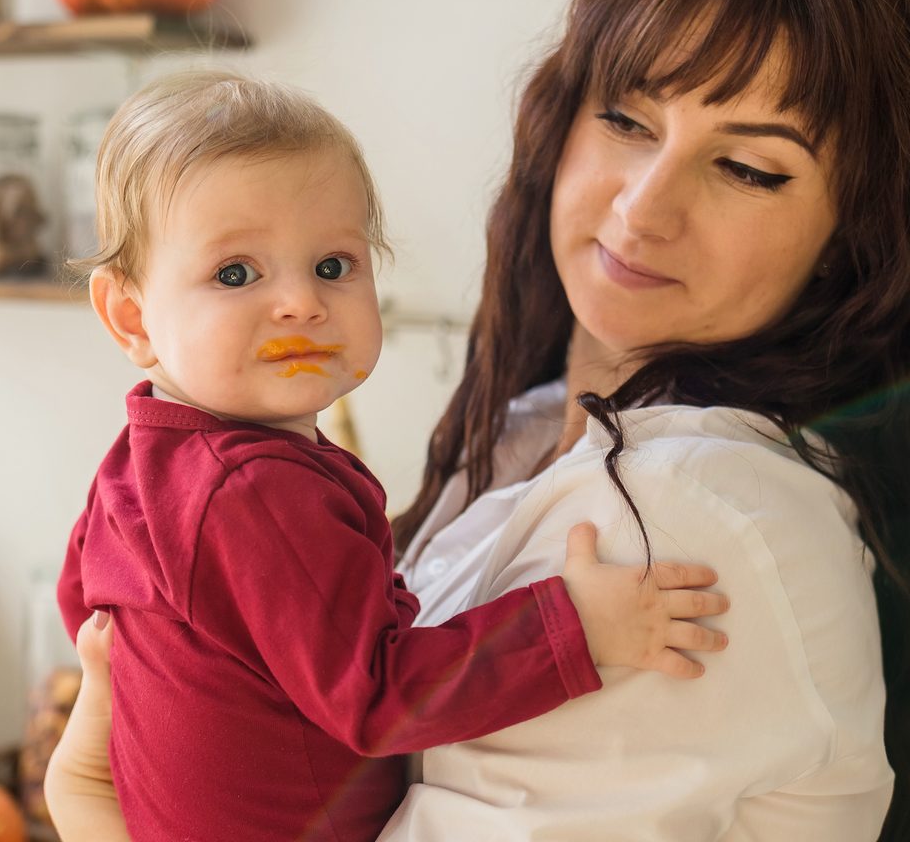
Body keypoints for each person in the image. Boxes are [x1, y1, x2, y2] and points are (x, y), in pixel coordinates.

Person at [46, 0, 909, 840]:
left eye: (749, 167)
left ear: (852, 236)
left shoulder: (690, 520)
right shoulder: (523, 427)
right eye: (626, 120)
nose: (642, 210)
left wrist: (92, 803)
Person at [53, 71, 728, 842]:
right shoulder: (256, 489)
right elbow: (377, 699)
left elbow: (87, 609)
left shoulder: (139, 459)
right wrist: (574, 626)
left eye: (334, 266)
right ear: (131, 316)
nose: (301, 303)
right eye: (235, 273)